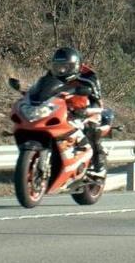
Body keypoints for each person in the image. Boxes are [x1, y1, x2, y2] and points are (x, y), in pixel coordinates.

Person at [46, 46, 112, 177]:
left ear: (74, 66)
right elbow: (44, 89)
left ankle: (99, 159)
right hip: (63, 107)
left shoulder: (89, 76)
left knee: (90, 127)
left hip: (86, 107)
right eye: (57, 66)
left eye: (65, 66)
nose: (61, 70)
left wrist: (87, 112)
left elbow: (96, 99)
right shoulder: (53, 74)